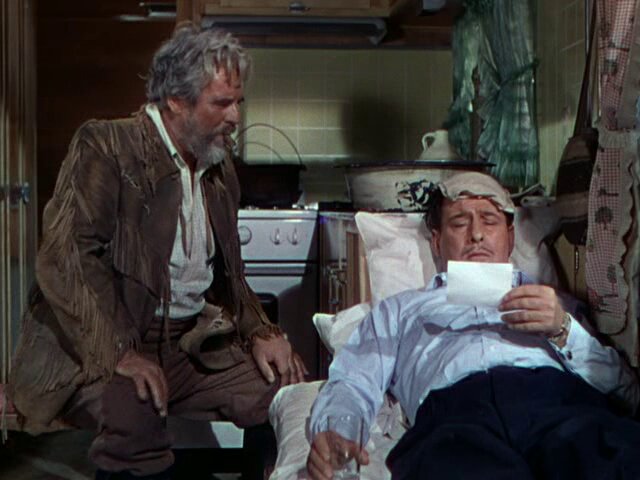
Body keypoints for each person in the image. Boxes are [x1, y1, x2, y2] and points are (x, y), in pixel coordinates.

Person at [7, 23, 306, 480]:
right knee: (135, 417)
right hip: (105, 343)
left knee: (287, 387)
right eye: (221, 103)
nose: (235, 118)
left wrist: (262, 330)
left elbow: (231, 276)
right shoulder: (107, 145)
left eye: (238, 103)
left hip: (190, 343)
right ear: (175, 101)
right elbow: (65, 260)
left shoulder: (217, 165)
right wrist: (119, 353)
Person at [307, 171, 640, 480]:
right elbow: (353, 381)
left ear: (510, 238)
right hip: (456, 416)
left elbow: (625, 391)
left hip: (556, 403)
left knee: (615, 457)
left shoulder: (554, 303)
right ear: (436, 241)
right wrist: (338, 431)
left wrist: (563, 329)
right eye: (459, 223)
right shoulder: (399, 310)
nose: (477, 234)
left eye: (489, 221)